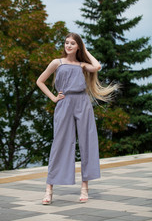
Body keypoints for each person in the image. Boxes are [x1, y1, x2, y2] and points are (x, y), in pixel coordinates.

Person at [36, 32, 117, 205]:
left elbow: (97, 66)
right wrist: (53, 97)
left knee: (87, 143)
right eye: (66, 43)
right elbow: (40, 81)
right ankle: (49, 190)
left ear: (78, 46)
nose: (69, 46)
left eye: (73, 43)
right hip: (64, 102)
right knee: (59, 144)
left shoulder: (82, 65)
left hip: (83, 103)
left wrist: (85, 50)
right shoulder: (57, 62)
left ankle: (84, 188)